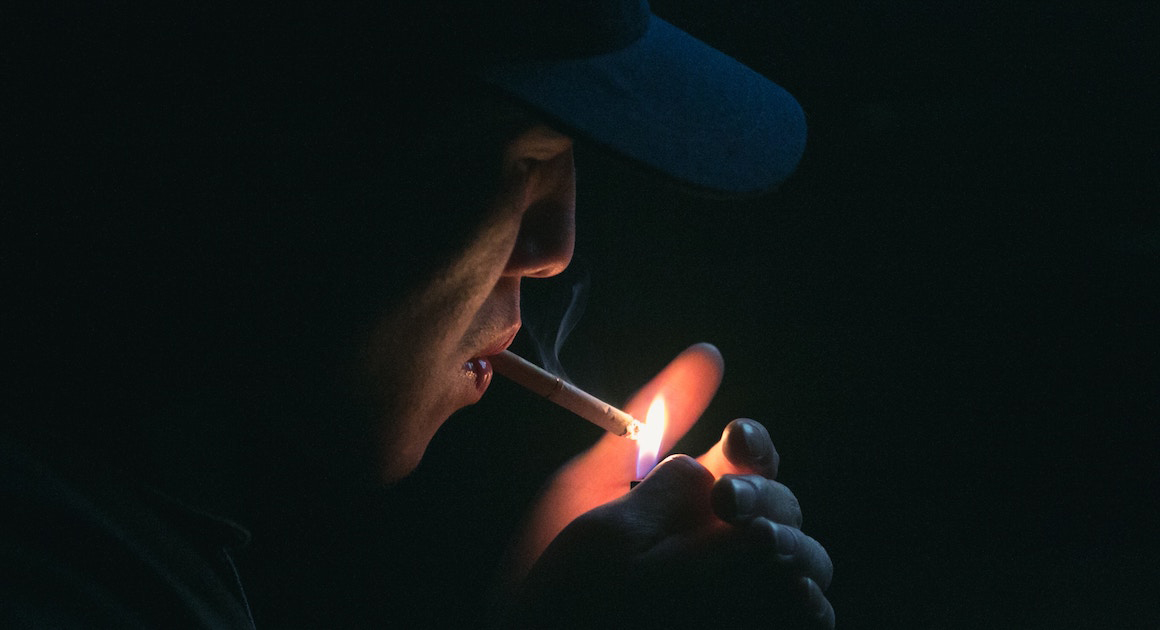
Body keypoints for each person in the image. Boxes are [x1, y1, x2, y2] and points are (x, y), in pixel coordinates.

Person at [4, 1, 833, 627]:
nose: (555, 246)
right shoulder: (49, 576)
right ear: (284, 142)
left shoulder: (132, 519)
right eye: (525, 156)